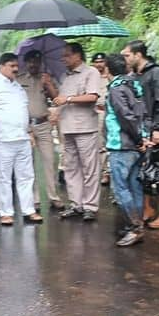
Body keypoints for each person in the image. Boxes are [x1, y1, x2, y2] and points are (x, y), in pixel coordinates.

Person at [0, 53, 43, 226]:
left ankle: (29, 210)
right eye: (11, 65)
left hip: (22, 138)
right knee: (4, 177)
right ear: (1, 66)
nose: (15, 69)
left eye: (16, 66)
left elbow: (23, 111)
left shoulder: (18, 87)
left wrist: (29, 133)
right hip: (2, 139)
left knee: (26, 176)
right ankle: (6, 213)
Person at [121, 40, 159, 229]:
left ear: (138, 55)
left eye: (127, 55)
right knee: (143, 172)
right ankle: (149, 208)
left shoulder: (156, 72)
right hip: (141, 131)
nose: (125, 59)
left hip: (155, 130)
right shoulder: (135, 75)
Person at [53, 42, 103, 221]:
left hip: (85, 128)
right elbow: (59, 99)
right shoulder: (65, 76)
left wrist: (68, 98)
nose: (63, 59)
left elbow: (92, 97)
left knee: (89, 168)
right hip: (67, 127)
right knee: (70, 168)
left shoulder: (91, 72)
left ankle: (90, 206)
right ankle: (76, 204)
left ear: (77, 56)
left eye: (66, 55)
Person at [104, 54, 147, 247]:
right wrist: (144, 137)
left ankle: (135, 227)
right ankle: (136, 225)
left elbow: (126, 117)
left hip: (122, 144)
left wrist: (138, 138)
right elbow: (143, 113)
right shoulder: (134, 84)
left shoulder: (116, 88)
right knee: (134, 186)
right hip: (137, 144)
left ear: (107, 69)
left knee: (121, 188)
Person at [16, 50, 64, 211]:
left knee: (49, 162)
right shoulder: (19, 79)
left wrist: (49, 84)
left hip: (44, 125)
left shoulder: (46, 78)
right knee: (29, 164)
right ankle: (34, 199)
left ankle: (53, 197)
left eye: (37, 61)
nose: (33, 64)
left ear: (41, 62)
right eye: (30, 61)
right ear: (26, 63)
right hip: (25, 127)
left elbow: (57, 99)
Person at [92, 52, 112, 186]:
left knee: (112, 143)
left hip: (111, 113)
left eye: (102, 61)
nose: (99, 64)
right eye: (97, 62)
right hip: (97, 112)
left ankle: (110, 171)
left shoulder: (111, 76)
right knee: (100, 144)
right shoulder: (92, 77)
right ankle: (105, 172)